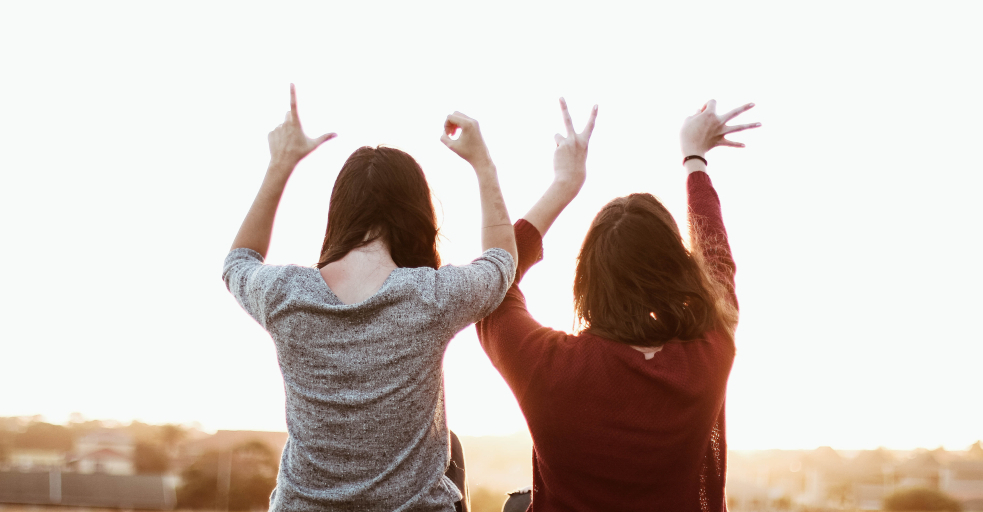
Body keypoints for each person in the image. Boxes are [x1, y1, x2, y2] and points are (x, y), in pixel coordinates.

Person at [223, 84, 518, 512]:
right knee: (450, 449)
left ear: (340, 213)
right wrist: (482, 163)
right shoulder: (430, 296)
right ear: (419, 215)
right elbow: (500, 262)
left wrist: (280, 165)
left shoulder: (284, 294)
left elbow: (237, 262)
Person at [478, 98, 760, 511]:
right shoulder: (706, 357)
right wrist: (694, 158)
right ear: (678, 272)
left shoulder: (549, 366)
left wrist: (564, 185)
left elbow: (493, 284)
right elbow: (718, 263)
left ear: (587, 280)